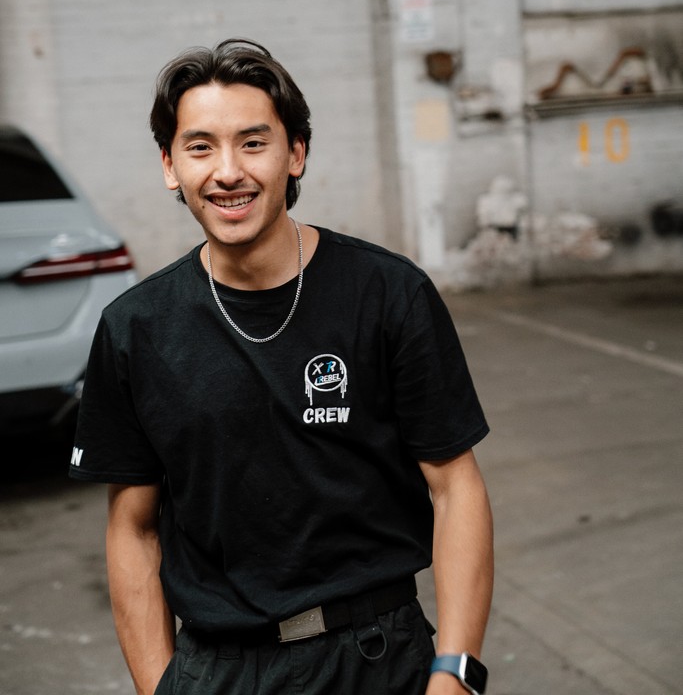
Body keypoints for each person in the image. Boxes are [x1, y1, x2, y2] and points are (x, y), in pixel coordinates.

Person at [69, 38, 494, 695]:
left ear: (295, 153)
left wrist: (455, 671)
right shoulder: (136, 330)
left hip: (376, 658)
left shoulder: (386, 294)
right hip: (219, 669)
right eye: (200, 146)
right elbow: (133, 529)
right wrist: (161, 688)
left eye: (253, 142)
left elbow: (453, 486)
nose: (227, 171)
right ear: (169, 165)